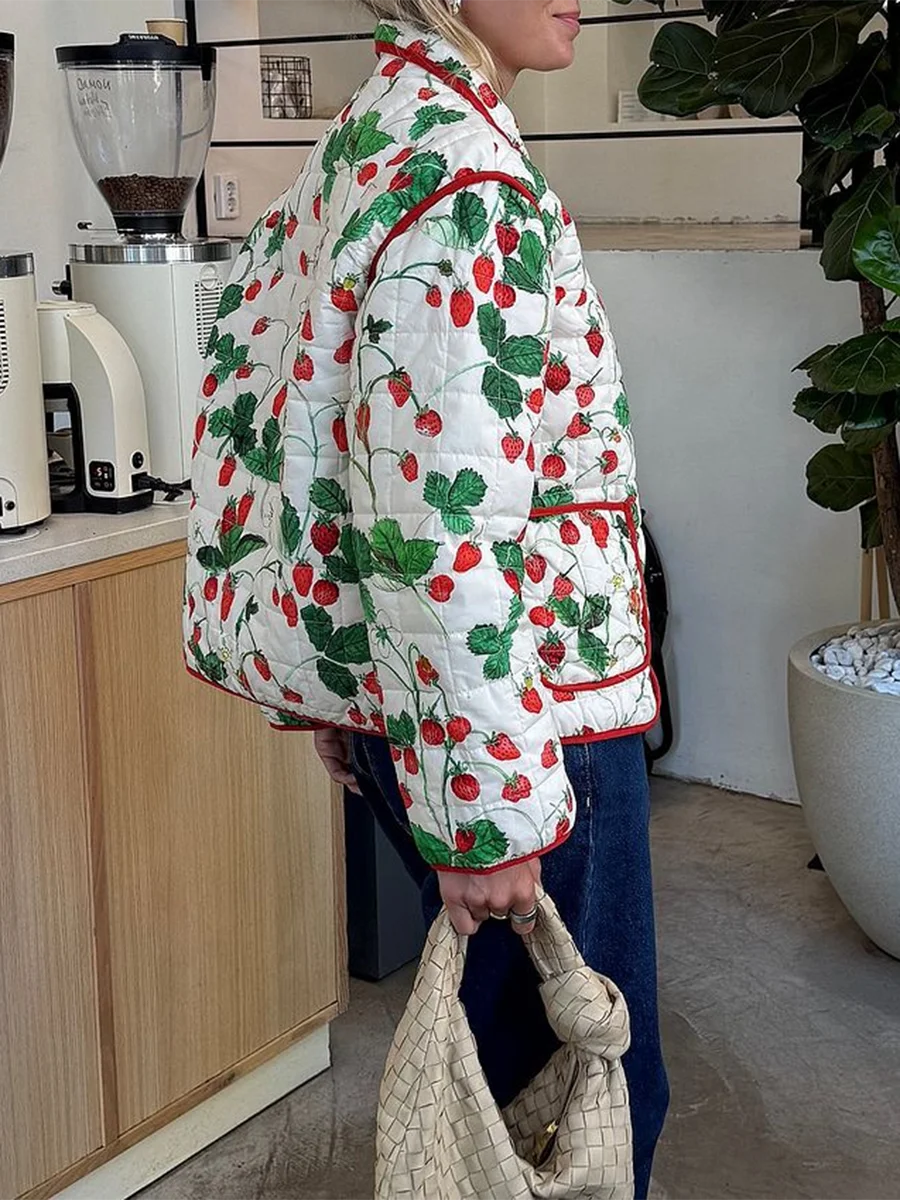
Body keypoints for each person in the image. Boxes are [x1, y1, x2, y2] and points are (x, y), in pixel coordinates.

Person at [184, 1, 669, 1193]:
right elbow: (435, 524)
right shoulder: (465, 175)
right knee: (570, 1102)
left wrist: (354, 701)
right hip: (528, 727)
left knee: (522, 1088)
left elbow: (308, 441)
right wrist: (489, 811)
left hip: (453, 719)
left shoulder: (370, 135)